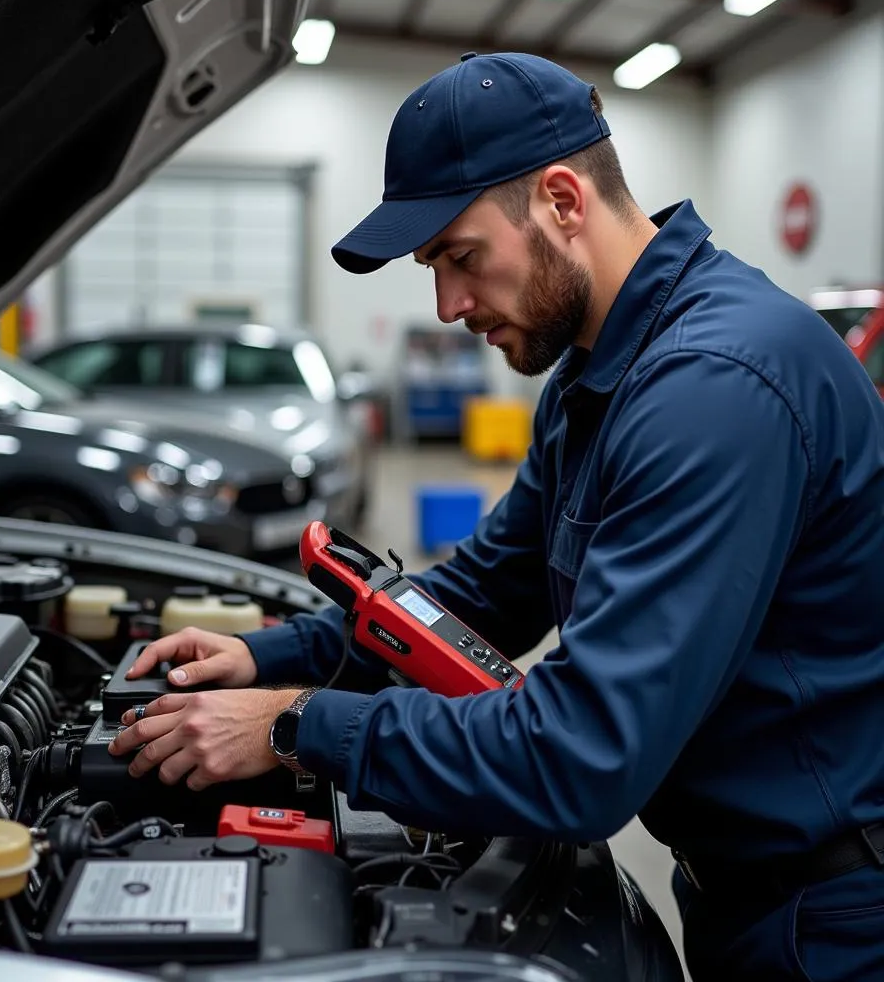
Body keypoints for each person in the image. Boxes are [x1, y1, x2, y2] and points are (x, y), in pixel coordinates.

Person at [108, 52, 884, 981]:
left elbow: (583, 752)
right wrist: (274, 656)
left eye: (461, 257)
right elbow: (489, 588)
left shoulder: (716, 387)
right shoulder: (599, 374)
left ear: (562, 199)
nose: (448, 305)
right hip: (743, 892)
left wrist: (296, 722)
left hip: (840, 924)